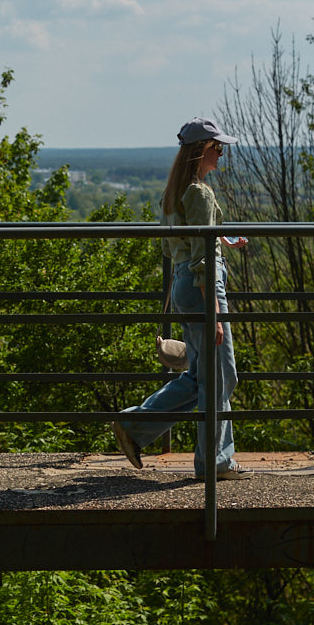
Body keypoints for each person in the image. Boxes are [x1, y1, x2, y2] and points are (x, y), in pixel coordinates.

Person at [111, 117, 252, 480]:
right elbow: (202, 257)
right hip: (203, 286)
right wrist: (215, 312)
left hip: (182, 284)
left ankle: (137, 427)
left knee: (205, 376)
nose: (221, 154)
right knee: (222, 376)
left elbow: (180, 243)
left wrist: (222, 240)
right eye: (217, 148)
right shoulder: (200, 192)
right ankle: (214, 462)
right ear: (200, 150)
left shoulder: (174, 192)